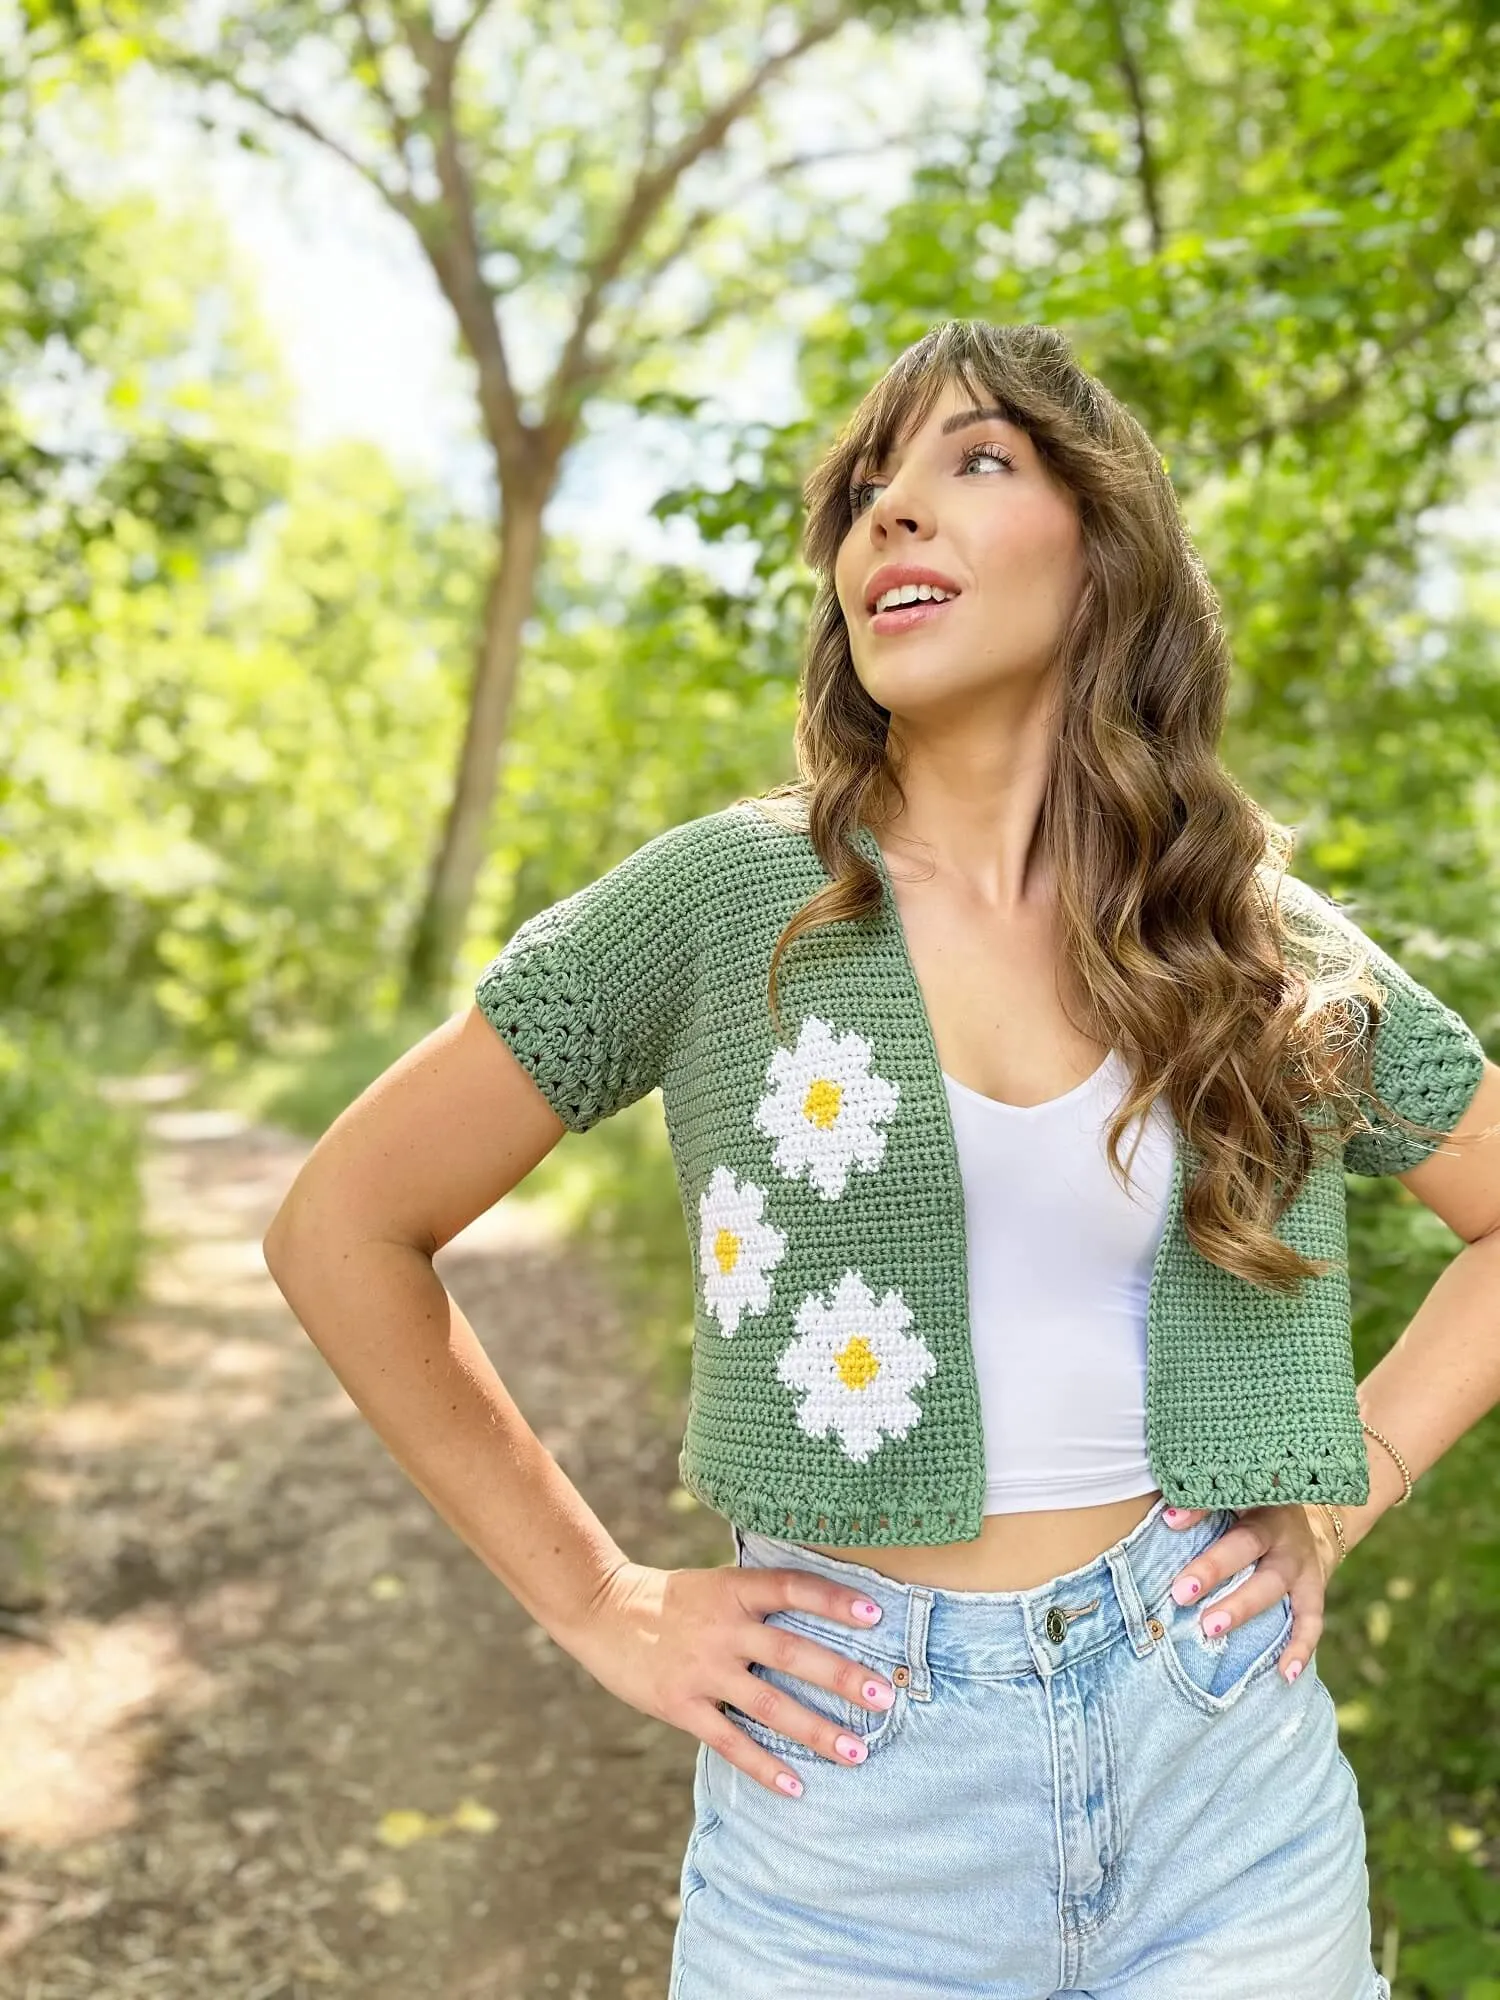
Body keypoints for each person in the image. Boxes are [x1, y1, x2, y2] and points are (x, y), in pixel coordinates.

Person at [262, 321, 1500, 1999]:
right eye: (865, 491)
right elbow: (345, 1224)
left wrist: (1354, 1495)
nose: (888, 517)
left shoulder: (1240, 937)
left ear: (1105, 548)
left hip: (1227, 1782)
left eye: (972, 463)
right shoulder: (724, 905)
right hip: (849, 1807)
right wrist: (605, 1601)